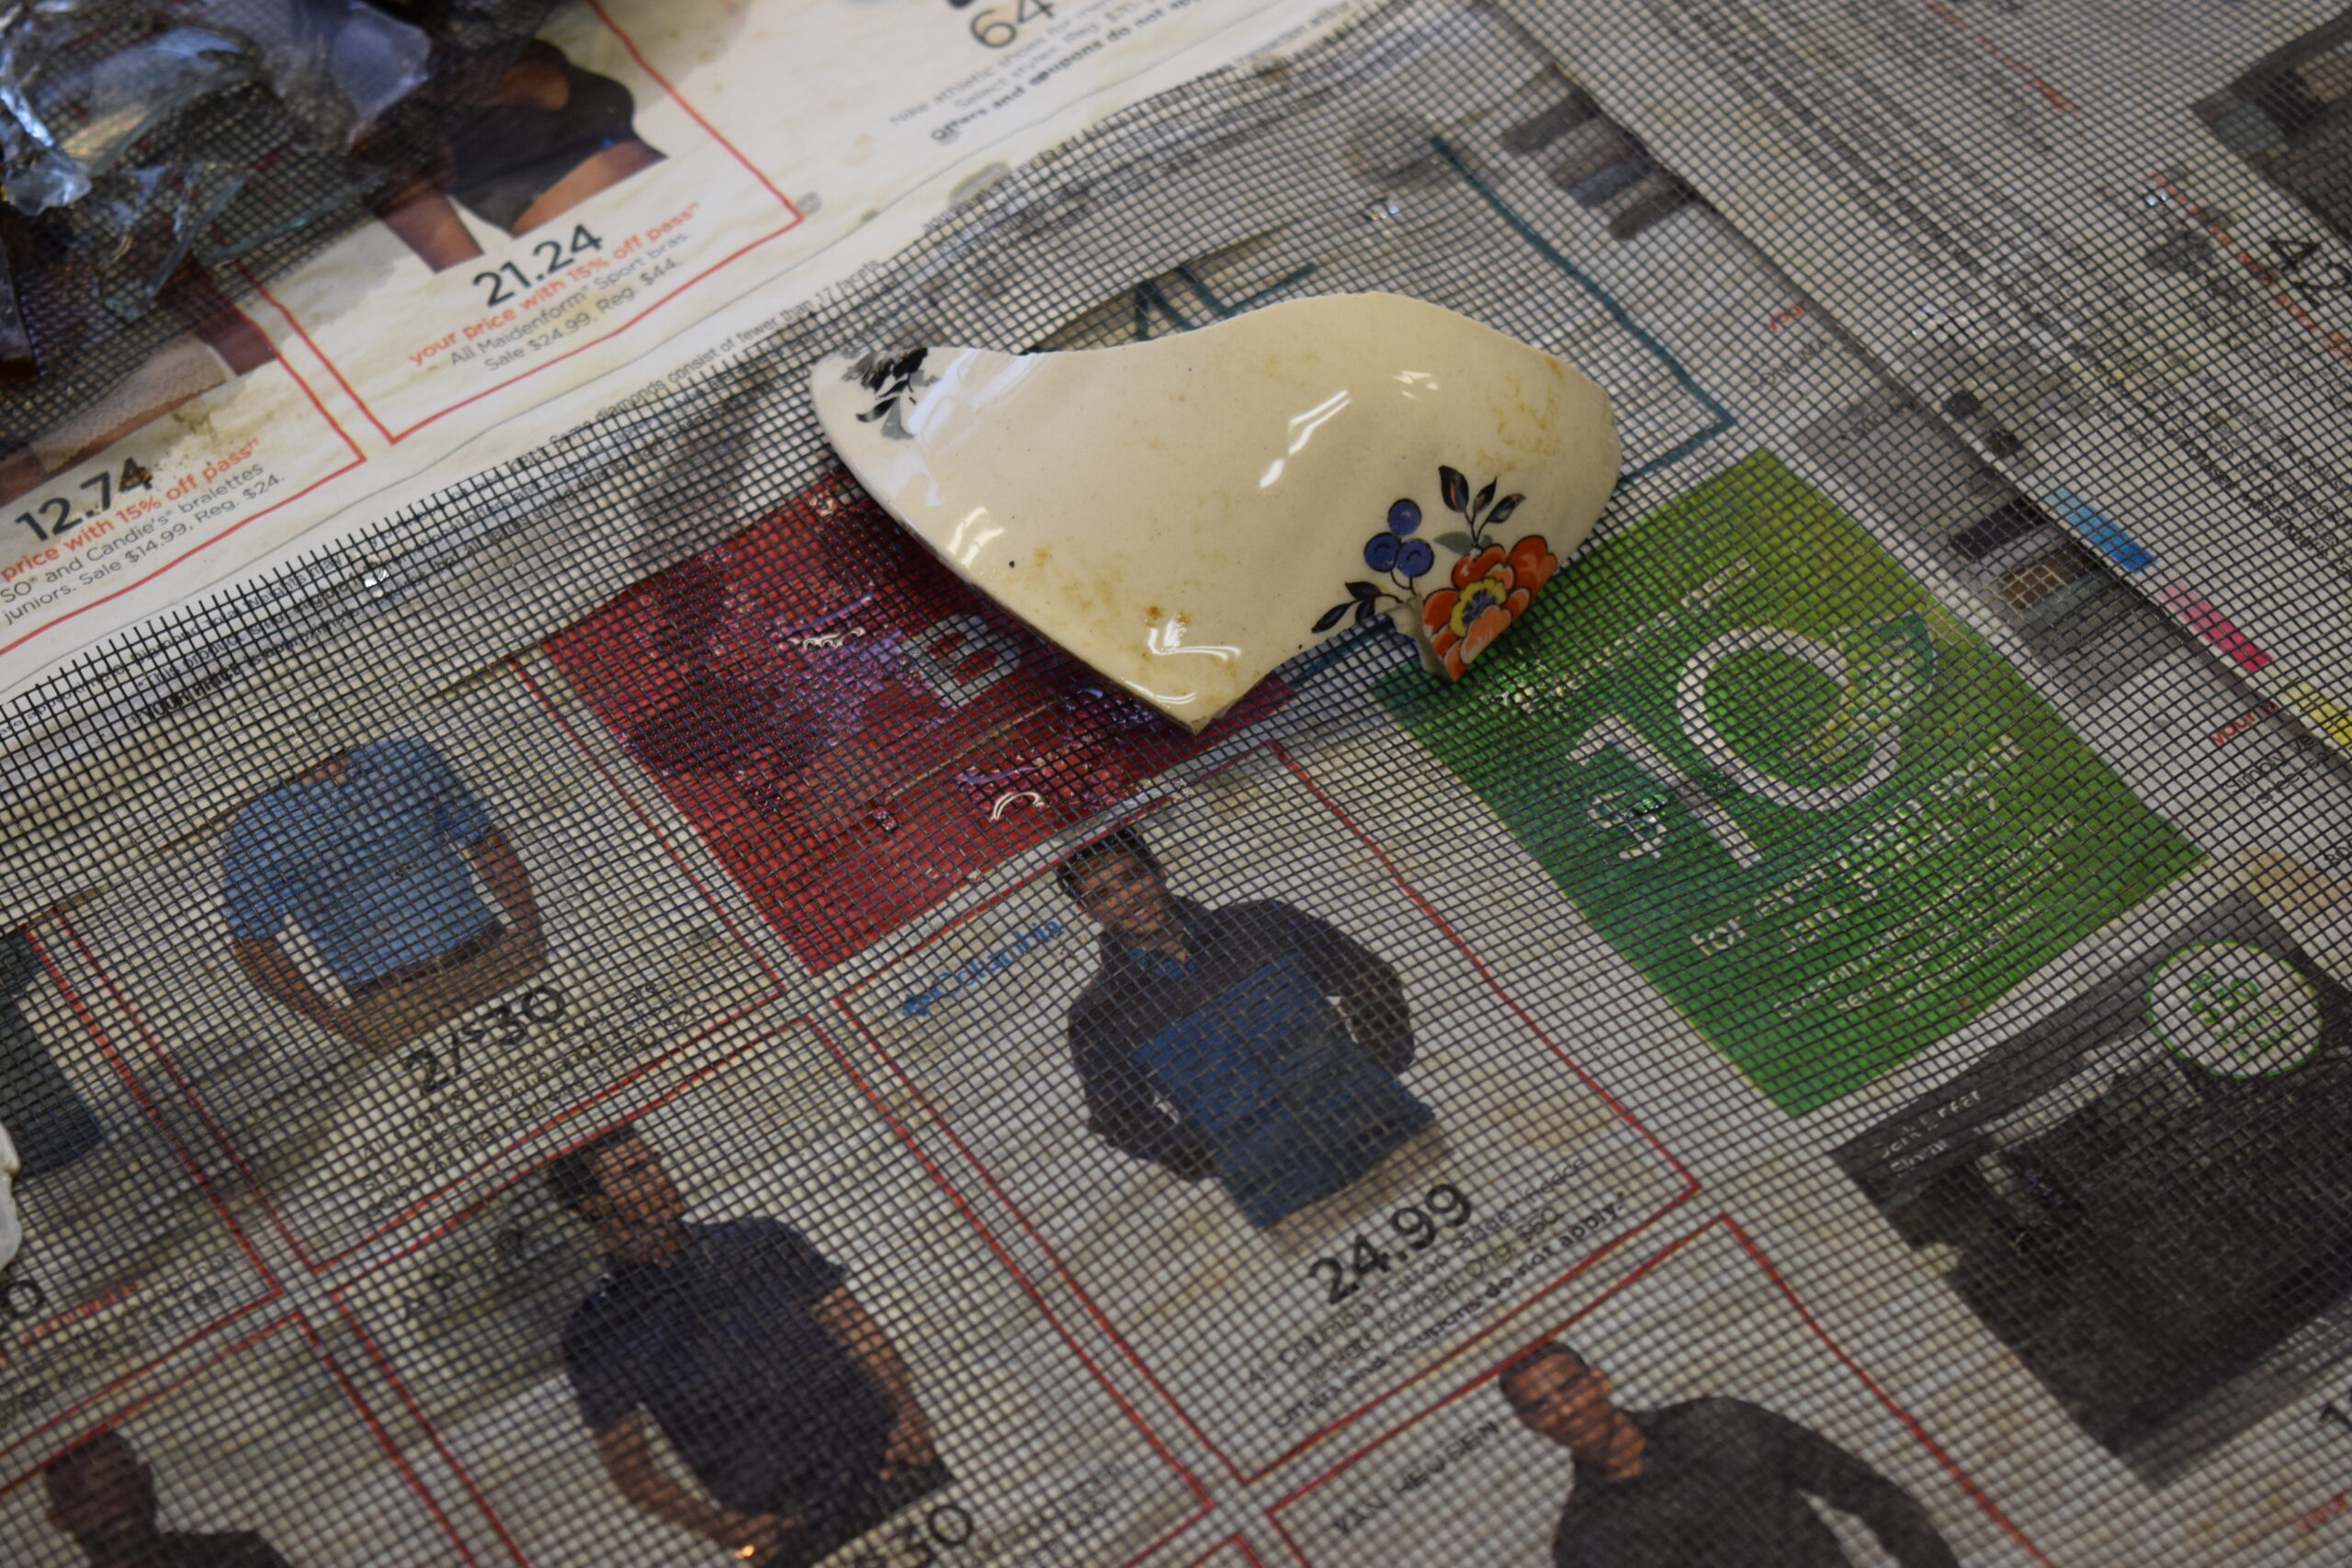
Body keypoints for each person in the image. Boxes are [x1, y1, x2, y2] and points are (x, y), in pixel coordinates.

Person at [548, 1125, 948, 1567]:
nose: (660, 1177)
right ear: (595, 1205)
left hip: (888, 1466)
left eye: (654, 1161)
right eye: (636, 1171)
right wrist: (729, 1529)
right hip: (791, 1525)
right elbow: (632, 1470)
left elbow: (855, 1326)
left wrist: (909, 1413)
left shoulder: (759, 1241)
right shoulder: (600, 1329)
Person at [1056, 825, 1432, 1229]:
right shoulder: (1099, 1015)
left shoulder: (1261, 923)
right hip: (1285, 1199)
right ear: (1087, 911)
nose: (1128, 898)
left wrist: (1376, 1067)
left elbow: (1366, 978)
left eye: (1132, 877)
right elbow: (1119, 1116)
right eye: (1103, 895)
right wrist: (1219, 1157)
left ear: (1158, 870)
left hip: (1394, 1134)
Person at [1498, 1340, 1961, 1568]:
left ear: (1600, 1381)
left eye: (1571, 1387)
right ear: (1529, 1425)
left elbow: (1868, 1493)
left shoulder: (1719, 1424)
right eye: (1541, 1407)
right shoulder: (1584, 1540)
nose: (1565, 1411)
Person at [221, 737, 542, 1046]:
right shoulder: (255, 828)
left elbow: (485, 841)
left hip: (485, 960)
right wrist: (330, 1019)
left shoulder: (408, 757)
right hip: (396, 1001)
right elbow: (252, 944)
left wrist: (530, 933)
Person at [376, 39, 663, 272]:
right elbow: (460, 273)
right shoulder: (387, 142)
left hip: (669, 202)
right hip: (589, 256)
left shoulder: (514, 51)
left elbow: (545, 88)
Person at [40, 1429, 292, 1568]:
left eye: (123, 1480)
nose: (117, 1503)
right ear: (58, 1517)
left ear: (146, 1479)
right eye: (88, 1496)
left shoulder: (240, 1556)